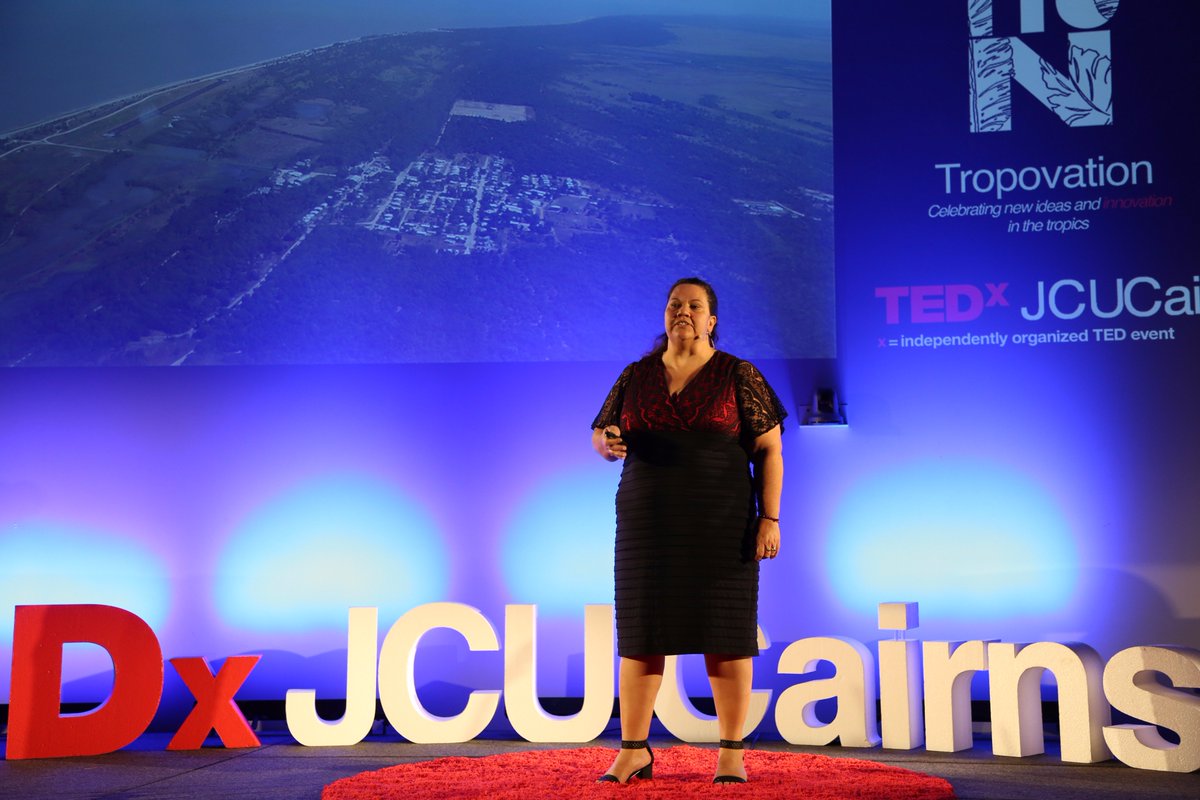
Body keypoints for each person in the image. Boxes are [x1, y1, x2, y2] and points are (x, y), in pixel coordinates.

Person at [590, 276, 786, 784]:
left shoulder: (739, 373)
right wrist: (607, 443)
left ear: (711, 320)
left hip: (721, 522)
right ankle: (633, 751)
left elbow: (769, 449)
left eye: (695, 306)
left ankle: (731, 754)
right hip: (647, 524)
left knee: (726, 635)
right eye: (675, 304)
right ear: (665, 315)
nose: (683, 312)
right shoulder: (636, 374)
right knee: (642, 634)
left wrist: (770, 519)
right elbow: (601, 432)